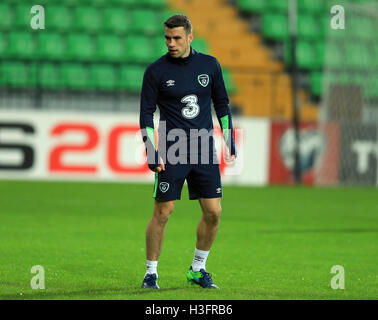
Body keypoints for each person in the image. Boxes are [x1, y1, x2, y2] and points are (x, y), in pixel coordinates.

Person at [139, 14, 236, 290]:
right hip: (172, 149)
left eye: (177, 38)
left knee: (214, 212)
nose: (171, 43)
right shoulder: (155, 72)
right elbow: (146, 113)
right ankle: (151, 274)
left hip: (204, 148)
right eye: (167, 38)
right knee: (164, 212)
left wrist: (229, 138)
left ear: (190, 37)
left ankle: (197, 269)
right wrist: (151, 149)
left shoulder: (210, 65)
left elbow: (222, 104)